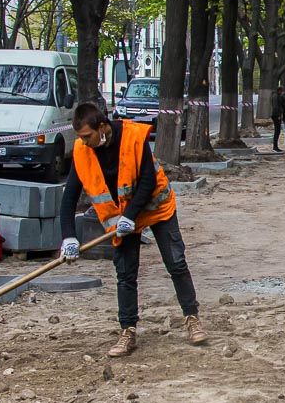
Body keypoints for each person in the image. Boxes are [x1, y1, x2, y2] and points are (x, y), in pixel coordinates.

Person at [59, 103, 208, 356]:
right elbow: (69, 197)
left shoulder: (132, 137)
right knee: (125, 273)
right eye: (81, 137)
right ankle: (128, 330)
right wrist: (69, 237)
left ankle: (192, 318)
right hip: (122, 219)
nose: (84, 142)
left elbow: (148, 180)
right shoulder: (82, 152)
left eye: (87, 136)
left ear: (102, 127)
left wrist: (131, 215)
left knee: (176, 262)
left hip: (155, 206)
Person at [271, 85, 285, 152]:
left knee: (277, 131)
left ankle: (275, 146)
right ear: (279, 90)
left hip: (275, 114)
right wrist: (279, 115)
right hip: (276, 115)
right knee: (277, 131)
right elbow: (276, 107)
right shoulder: (276, 96)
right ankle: (275, 146)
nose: (282, 92)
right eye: (282, 91)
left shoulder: (275, 96)